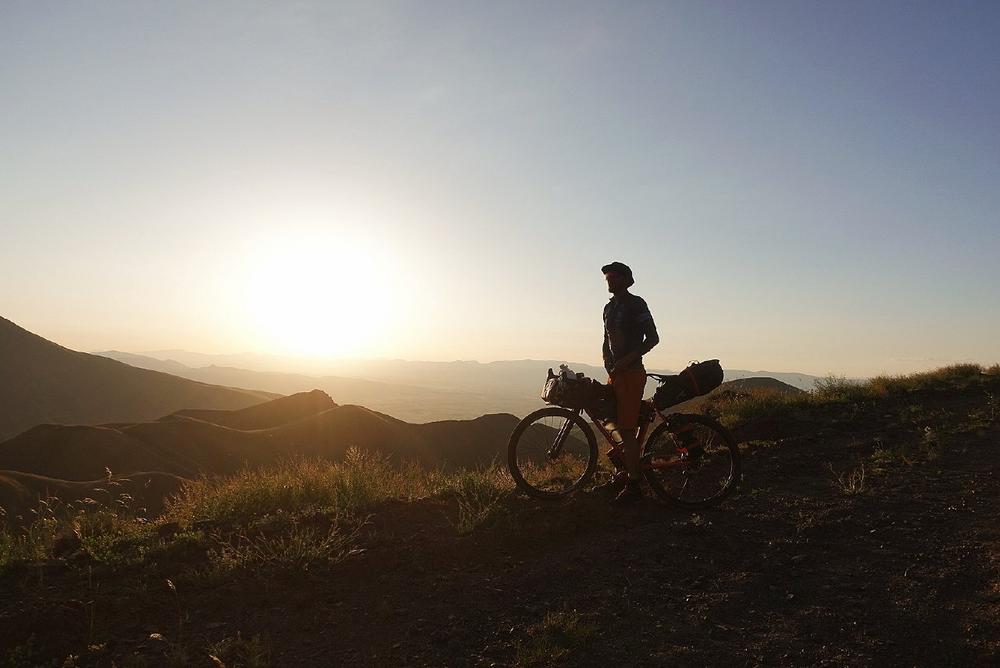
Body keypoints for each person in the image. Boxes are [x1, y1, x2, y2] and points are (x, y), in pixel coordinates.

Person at [600, 261, 659, 503]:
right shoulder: (608, 307)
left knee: (626, 430)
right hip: (615, 374)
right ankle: (625, 470)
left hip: (632, 373)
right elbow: (605, 339)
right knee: (610, 421)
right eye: (607, 277)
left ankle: (635, 484)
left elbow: (653, 338)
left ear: (626, 279)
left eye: (614, 276)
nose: (609, 280)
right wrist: (609, 365)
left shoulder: (637, 304)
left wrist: (628, 360)